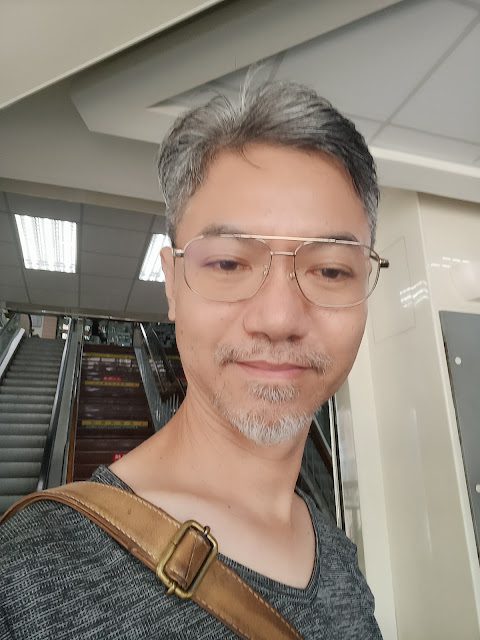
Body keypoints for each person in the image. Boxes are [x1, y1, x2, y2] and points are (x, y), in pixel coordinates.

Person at [0, 80, 387, 639]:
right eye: (228, 263)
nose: (279, 317)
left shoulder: (338, 557)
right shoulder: (30, 576)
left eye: (330, 270)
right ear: (172, 285)